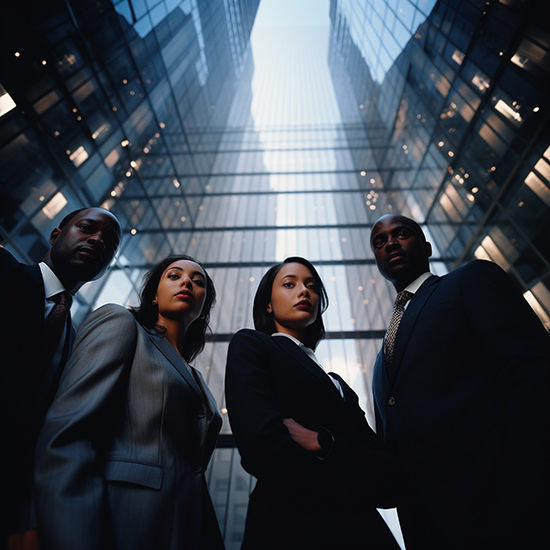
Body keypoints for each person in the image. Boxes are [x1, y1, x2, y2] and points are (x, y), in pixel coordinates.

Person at [369, 213, 550, 550]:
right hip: (427, 527)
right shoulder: (381, 361)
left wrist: (525, 484)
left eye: (401, 234)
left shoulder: (469, 281)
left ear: (426, 247)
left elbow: (531, 373)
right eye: (380, 242)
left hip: (502, 508)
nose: (390, 243)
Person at [33, 255, 225, 550]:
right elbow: (69, 433)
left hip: (185, 531)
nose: (187, 281)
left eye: (198, 282)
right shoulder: (122, 323)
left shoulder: (200, 382)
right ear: (154, 297)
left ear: (203, 308)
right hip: (119, 519)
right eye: (174, 276)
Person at [225, 257, 400, 550]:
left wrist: (323, 444)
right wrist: (353, 467)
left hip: (363, 534)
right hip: (291, 528)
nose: (304, 291)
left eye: (312, 286)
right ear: (268, 304)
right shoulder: (253, 345)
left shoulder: (340, 385)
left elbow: (389, 480)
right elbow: (263, 449)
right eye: (289, 284)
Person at [0, 206, 122, 548]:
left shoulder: (75, 342)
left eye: (109, 243)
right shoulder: (5, 270)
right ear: (56, 235)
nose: (98, 239)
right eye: (87, 228)